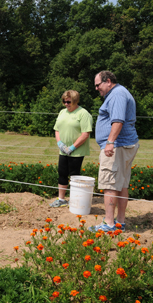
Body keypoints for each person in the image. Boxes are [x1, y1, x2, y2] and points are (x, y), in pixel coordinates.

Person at [90, 71, 139, 232]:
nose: (96, 88)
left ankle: (109, 223)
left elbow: (117, 120)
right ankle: (120, 222)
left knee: (110, 184)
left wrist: (110, 142)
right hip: (124, 145)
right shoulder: (119, 93)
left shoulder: (117, 94)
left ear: (108, 81)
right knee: (121, 184)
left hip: (117, 146)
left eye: (98, 85)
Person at [51, 90, 93, 207]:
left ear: (75, 101)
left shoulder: (83, 114)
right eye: (64, 101)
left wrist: (73, 147)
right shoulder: (62, 112)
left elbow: (85, 133)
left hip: (77, 151)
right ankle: (61, 199)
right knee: (62, 173)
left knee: (74, 175)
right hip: (63, 150)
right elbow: (57, 129)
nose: (66, 104)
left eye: (68, 102)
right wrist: (60, 143)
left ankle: (75, 200)